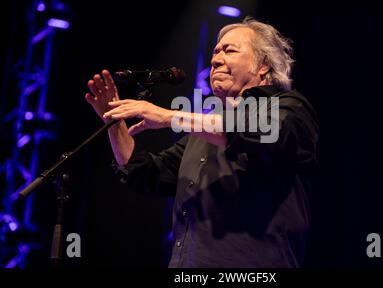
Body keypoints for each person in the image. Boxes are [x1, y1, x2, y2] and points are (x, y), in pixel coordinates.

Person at [85, 17, 319, 267]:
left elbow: (259, 131)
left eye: (229, 50)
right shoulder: (205, 130)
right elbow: (146, 173)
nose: (216, 59)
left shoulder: (290, 107)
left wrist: (168, 116)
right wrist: (114, 122)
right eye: (216, 51)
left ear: (262, 65)